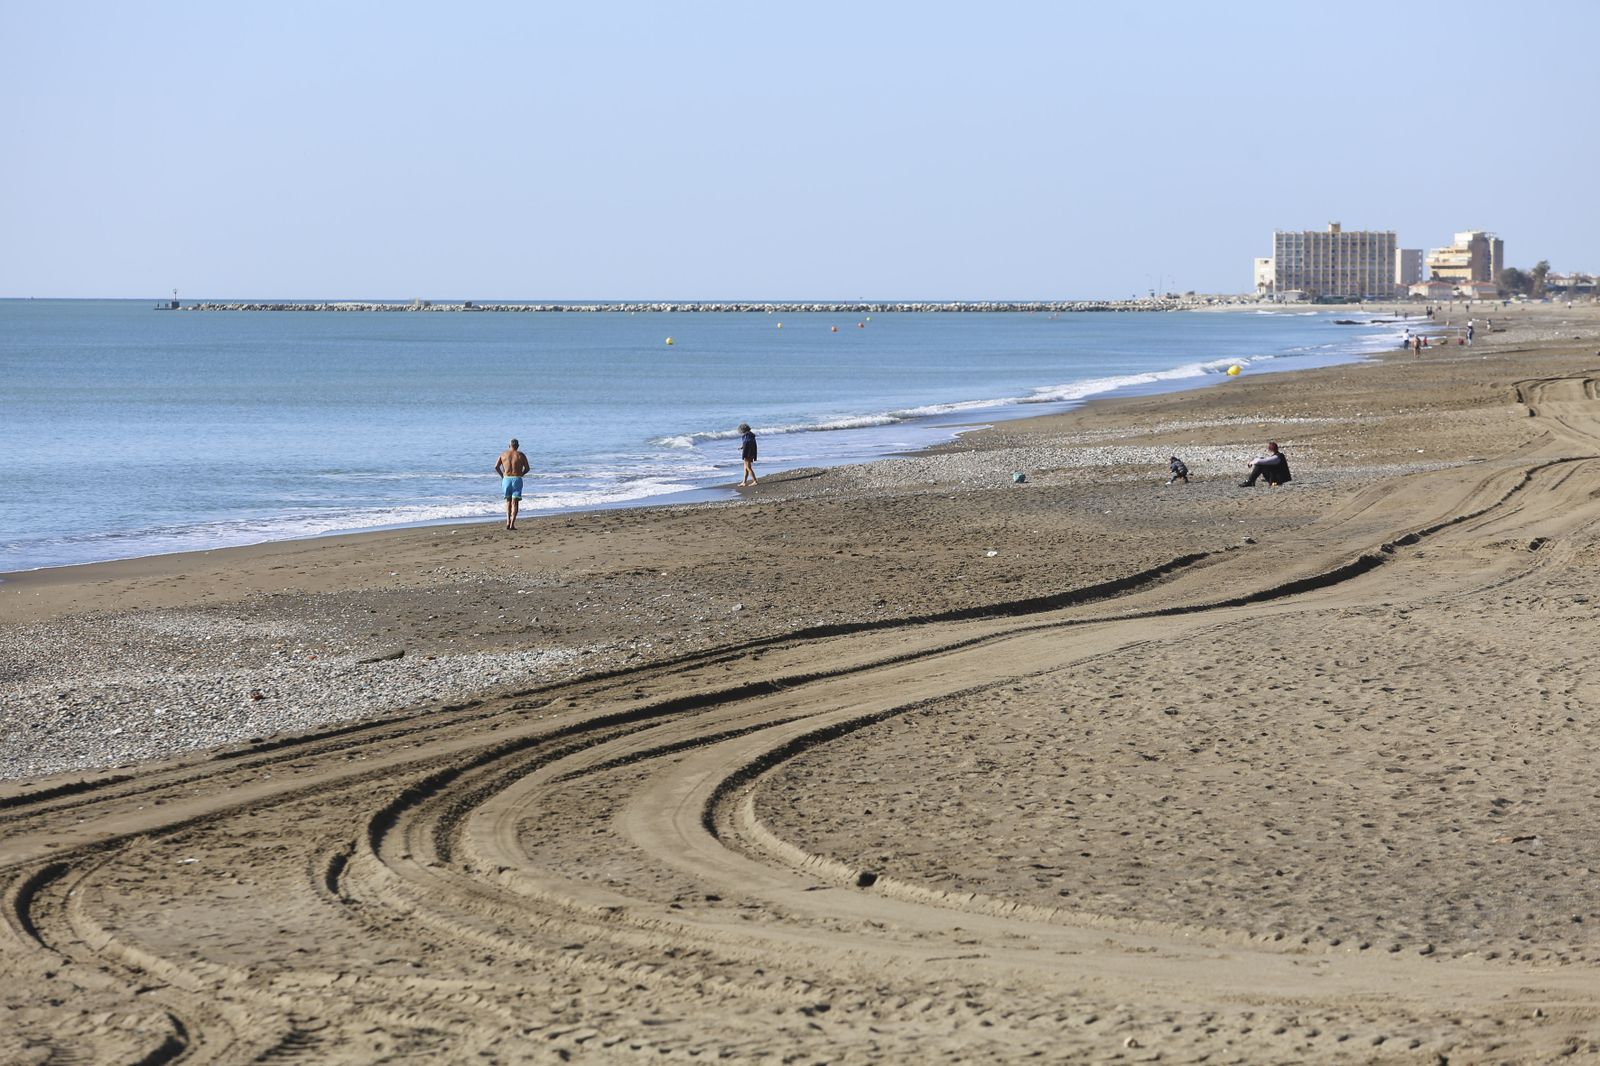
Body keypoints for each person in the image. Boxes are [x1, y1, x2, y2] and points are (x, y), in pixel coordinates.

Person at [495, 438, 531, 530]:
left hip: (506, 479)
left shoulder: (503, 454)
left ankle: (507, 522)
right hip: (517, 479)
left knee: (508, 502)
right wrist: (521, 474)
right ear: (518, 446)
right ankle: (512, 524)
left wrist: (502, 476)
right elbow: (527, 468)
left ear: (509, 446)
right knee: (515, 503)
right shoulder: (521, 455)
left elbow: (496, 467)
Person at [738, 422, 758, 486]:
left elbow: (746, 443)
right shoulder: (751, 435)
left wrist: (744, 451)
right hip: (751, 452)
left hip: (748, 453)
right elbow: (749, 443)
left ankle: (755, 481)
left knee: (748, 467)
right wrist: (742, 446)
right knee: (745, 467)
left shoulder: (746, 435)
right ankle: (744, 482)